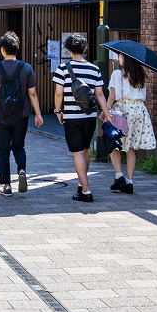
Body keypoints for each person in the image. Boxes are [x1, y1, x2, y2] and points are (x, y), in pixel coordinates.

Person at [0, 32, 44, 196]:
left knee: (2, 150)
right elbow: (32, 93)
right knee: (18, 146)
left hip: (1, 114)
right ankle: (22, 171)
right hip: (22, 114)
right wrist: (38, 114)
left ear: (2, 49)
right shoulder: (26, 68)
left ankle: (6, 186)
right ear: (17, 49)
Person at [52, 33, 107, 203]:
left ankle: (86, 190)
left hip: (72, 117)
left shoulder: (63, 68)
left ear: (68, 50)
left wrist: (57, 111)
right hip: (90, 116)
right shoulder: (94, 68)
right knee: (84, 150)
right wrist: (107, 113)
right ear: (85, 49)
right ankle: (81, 183)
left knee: (76, 153)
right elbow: (99, 94)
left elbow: (59, 92)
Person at [103, 53, 155, 195]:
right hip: (139, 111)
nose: (119, 58)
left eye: (120, 56)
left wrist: (106, 111)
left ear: (125, 58)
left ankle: (119, 176)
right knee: (131, 147)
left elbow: (112, 97)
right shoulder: (140, 75)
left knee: (114, 143)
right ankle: (130, 182)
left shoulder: (117, 74)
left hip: (123, 111)